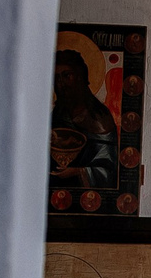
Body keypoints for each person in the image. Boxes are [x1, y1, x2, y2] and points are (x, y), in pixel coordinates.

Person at [49, 49, 120, 191]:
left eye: (66, 76)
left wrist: (76, 171)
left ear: (80, 77)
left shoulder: (98, 117)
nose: (61, 83)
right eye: (56, 78)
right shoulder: (59, 111)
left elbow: (109, 172)